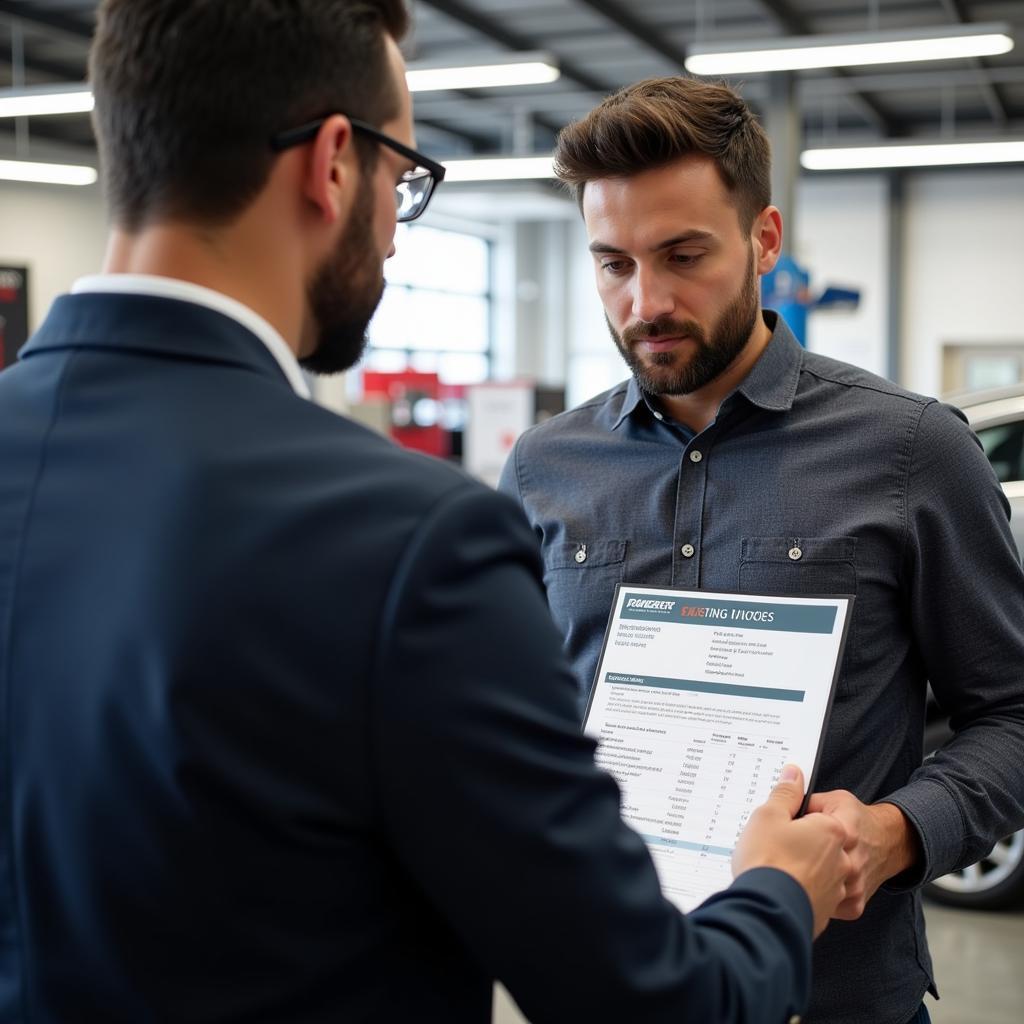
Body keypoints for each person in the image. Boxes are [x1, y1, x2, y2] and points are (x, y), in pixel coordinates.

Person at [0, 4, 854, 1022]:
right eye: (402, 178)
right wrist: (775, 889)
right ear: (331, 163)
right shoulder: (410, 540)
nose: (397, 240)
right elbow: (653, 1002)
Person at [498, 74, 1024, 1024]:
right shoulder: (543, 468)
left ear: (764, 241)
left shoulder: (910, 452)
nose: (645, 302)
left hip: (838, 1000)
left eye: (683, 254)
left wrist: (897, 832)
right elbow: (516, 721)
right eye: (612, 263)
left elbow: (1016, 715)